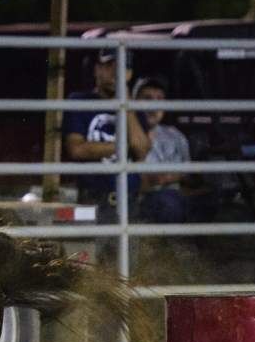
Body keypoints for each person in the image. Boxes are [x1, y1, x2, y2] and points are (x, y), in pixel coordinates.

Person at [63, 48, 151, 260]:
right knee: (86, 270)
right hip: (93, 200)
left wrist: (125, 103)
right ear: (97, 69)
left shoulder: (135, 111)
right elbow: (77, 149)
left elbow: (141, 151)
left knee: (127, 269)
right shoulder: (79, 101)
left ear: (129, 74)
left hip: (129, 203)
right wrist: (124, 146)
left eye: (122, 68)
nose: (115, 73)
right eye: (109, 66)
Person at [134, 76, 211, 224]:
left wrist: (180, 177)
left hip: (179, 195)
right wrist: (169, 177)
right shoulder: (127, 135)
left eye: (159, 99)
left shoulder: (174, 134)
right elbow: (140, 183)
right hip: (149, 198)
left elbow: (192, 176)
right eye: (147, 98)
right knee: (168, 202)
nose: (154, 106)